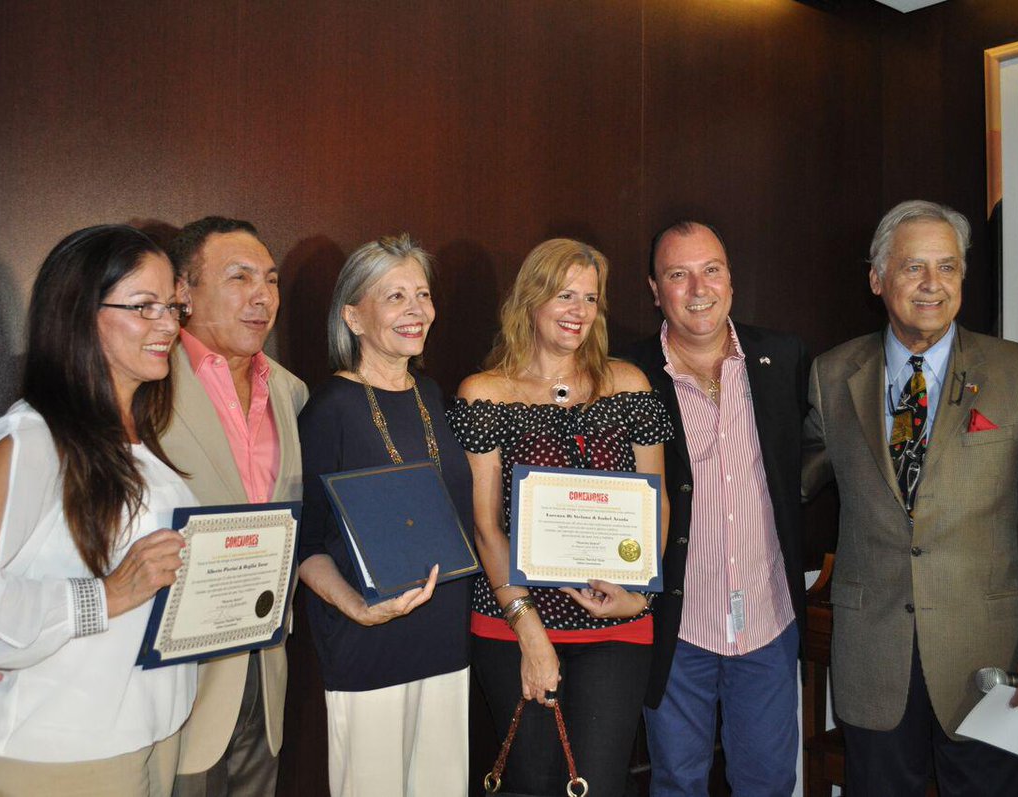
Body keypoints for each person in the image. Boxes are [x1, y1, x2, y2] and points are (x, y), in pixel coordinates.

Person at [802, 200, 1018, 796]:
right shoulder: (832, 376)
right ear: (878, 278)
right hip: (873, 658)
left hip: (990, 661)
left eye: (948, 267)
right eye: (913, 268)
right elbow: (782, 485)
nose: (933, 285)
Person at [0, 225, 196, 795]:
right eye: (143, 307)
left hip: (144, 727)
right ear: (78, 313)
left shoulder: (131, 432)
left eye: (171, 305)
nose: (167, 325)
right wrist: (107, 595)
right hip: (67, 745)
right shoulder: (35, 440)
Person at [447, 238, 672, 797]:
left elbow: (658, 503)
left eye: (590, 298)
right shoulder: (485, 393)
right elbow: (485, 526)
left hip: (618, 620)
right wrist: (529, 629)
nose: (578, 310)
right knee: (532, 781)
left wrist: (640, 596)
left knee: (598, 783)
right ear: (530, 298)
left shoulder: (630, 385)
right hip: (512, 621)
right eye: (563, 294)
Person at [620, 221, 808, 796]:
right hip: (679, 627)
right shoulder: (626, 377)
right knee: (677, 781)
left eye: (711, 269)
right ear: (655, 289)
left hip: (768, 622)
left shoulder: (783, 358)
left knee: (770, 783)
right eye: (678, 274)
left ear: (731, 279)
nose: (698, 287)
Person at [296, 234, 473, 796]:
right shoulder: (329, 409)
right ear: (353, 316)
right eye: (395, 297)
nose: (416, 310)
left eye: (422, 294)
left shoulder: (433, 394)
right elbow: (305, 545)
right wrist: (358, 608)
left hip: (444, 637)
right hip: (367, 642)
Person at [163, 217, 309, 797]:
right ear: (184, 291)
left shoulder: (292, 393)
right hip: (172, 686)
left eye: (270, 280)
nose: (262, 296)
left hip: (265, 671)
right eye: (239, 277)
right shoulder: (143, 383)